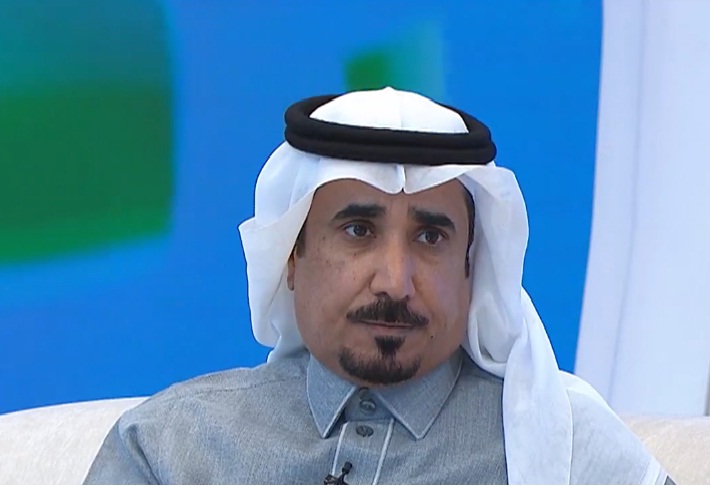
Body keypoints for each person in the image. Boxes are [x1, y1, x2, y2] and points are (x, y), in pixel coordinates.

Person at [84, 87, 670, 484]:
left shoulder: (566, 447)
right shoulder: (169, 448)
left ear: (471, 268)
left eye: (431, 237)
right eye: (358, 230)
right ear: (292, 258)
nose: (395, 281)